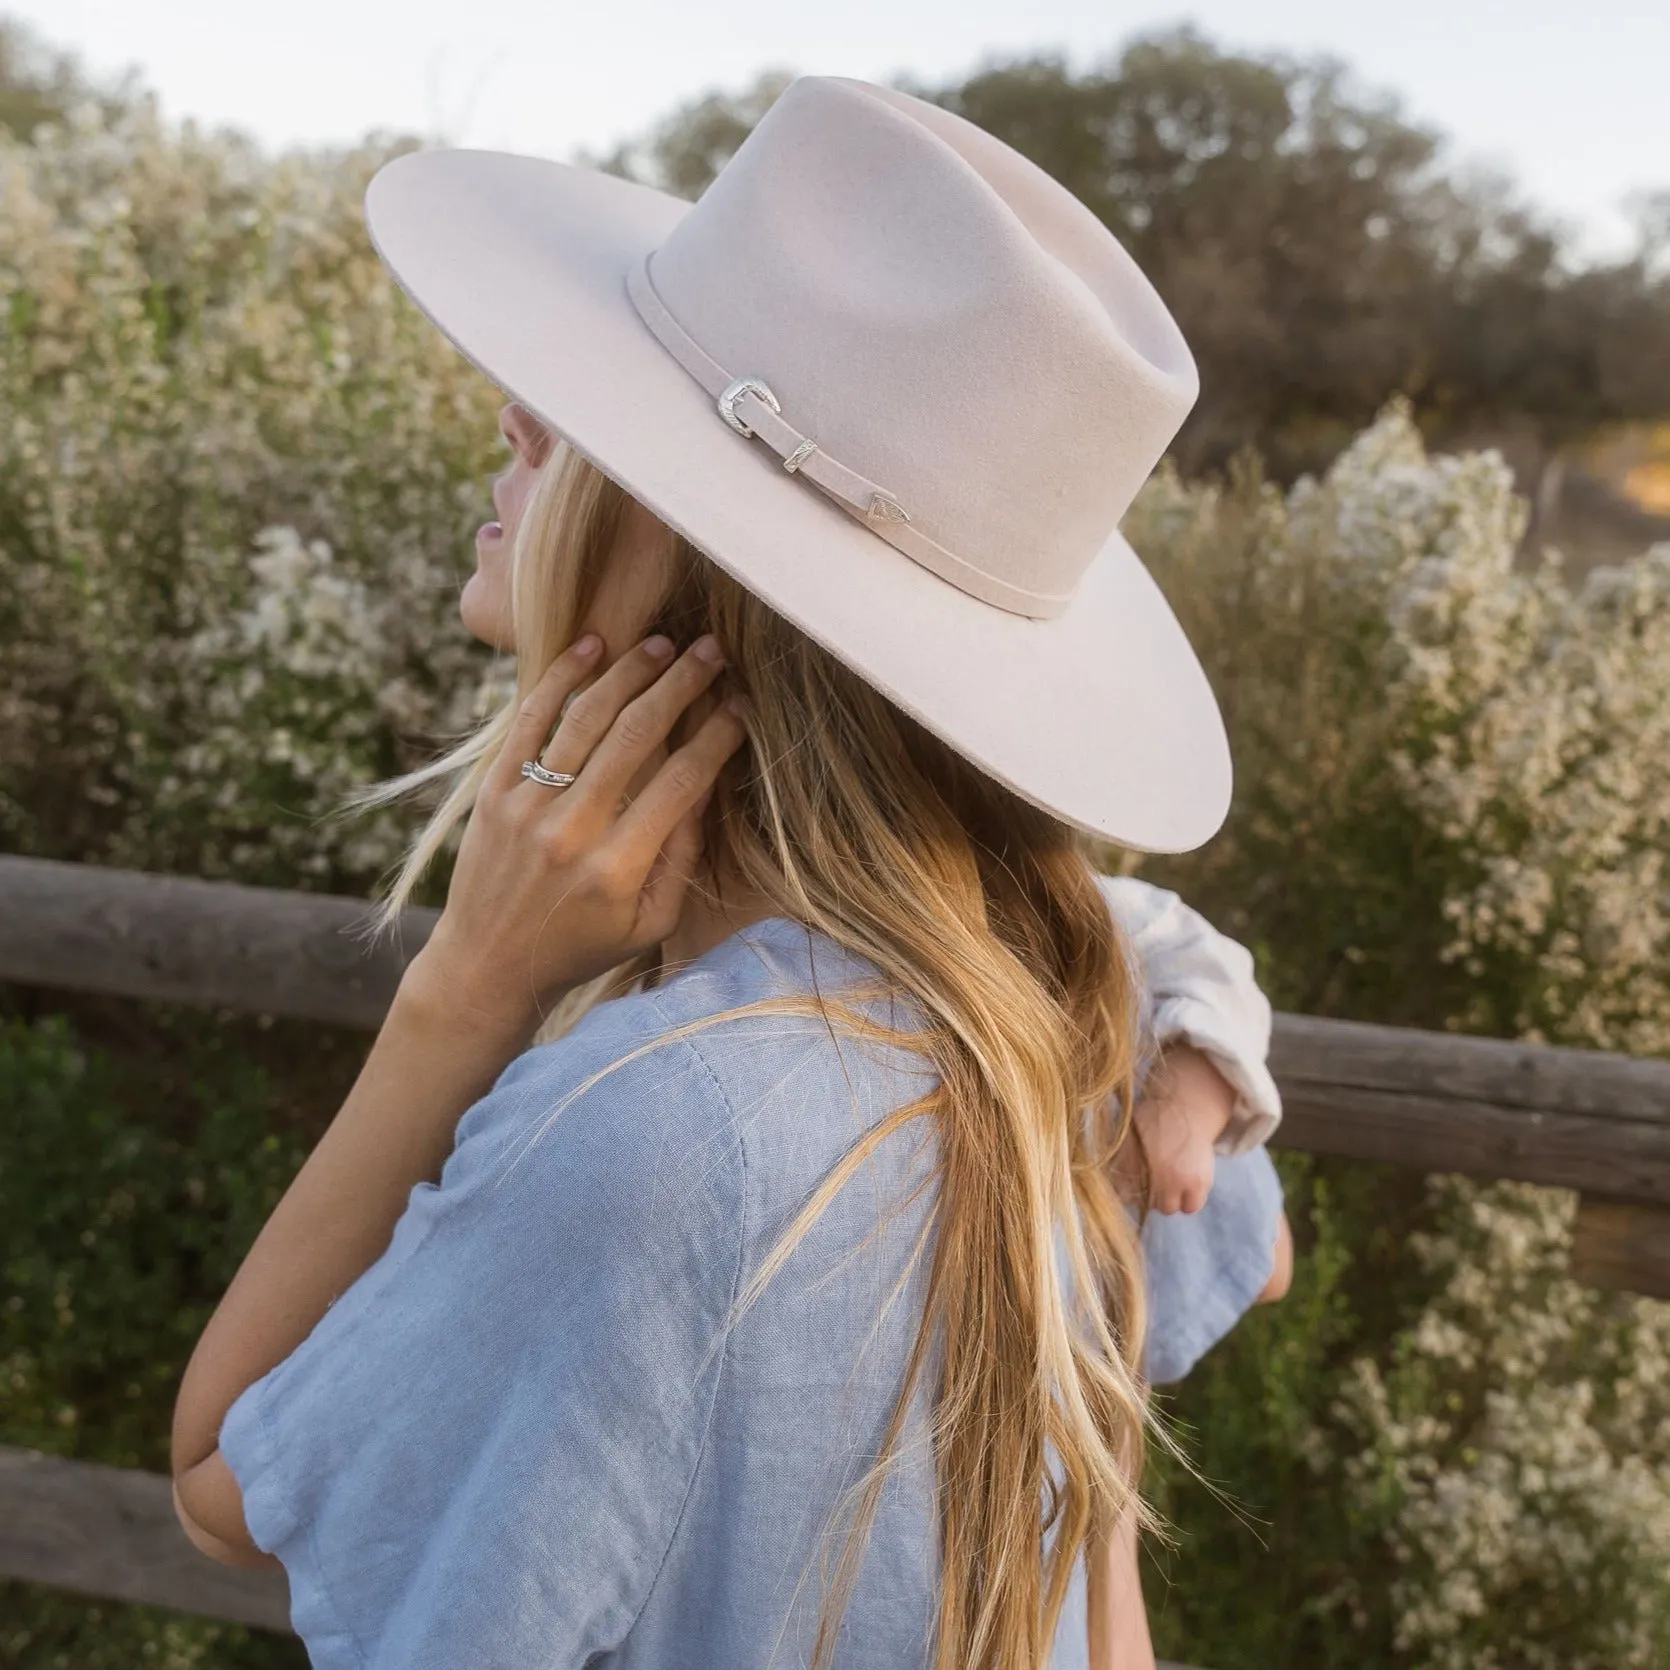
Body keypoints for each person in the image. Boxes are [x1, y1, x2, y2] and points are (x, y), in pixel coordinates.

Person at [169, 76, 1290, 1670]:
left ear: (711, 553)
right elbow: (1244, 1249)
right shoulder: (1048, 1024)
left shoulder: (658, 1140)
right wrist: (1189, 1008)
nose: (513, 414)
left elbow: (224, 1478)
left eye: (591, 409)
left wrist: (464, 988)